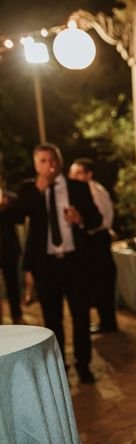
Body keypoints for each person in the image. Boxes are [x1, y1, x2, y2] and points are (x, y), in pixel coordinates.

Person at [2, 143, 102, 383]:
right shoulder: (28, 189)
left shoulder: (78, 187)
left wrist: (81, 219)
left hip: (74, 262)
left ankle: (84, 365)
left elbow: (96, 218)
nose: (50, 165)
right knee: (52, 319)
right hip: (45, 265)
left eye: (53, 160)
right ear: (37, 165)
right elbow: (15, 216)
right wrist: (38, 190)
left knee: (80, 316)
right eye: (44, 161)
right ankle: (59, 368)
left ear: (60, 162)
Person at [69, 158, 118, 334]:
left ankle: (108, 322)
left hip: (97, 239)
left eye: (77, 173)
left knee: (102, 281)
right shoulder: (92, 189)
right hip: (97, 238)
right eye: (71, 173)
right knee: (99, 283)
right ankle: (106, 321)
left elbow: (101, 220)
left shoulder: (92, 190)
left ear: (89, 174)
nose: (73, 177)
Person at [0, 189, 24, 324]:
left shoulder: (11, 198)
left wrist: (6, 207)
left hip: (9, 249)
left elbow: (20, 218)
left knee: (12, 285)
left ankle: (17, 315)